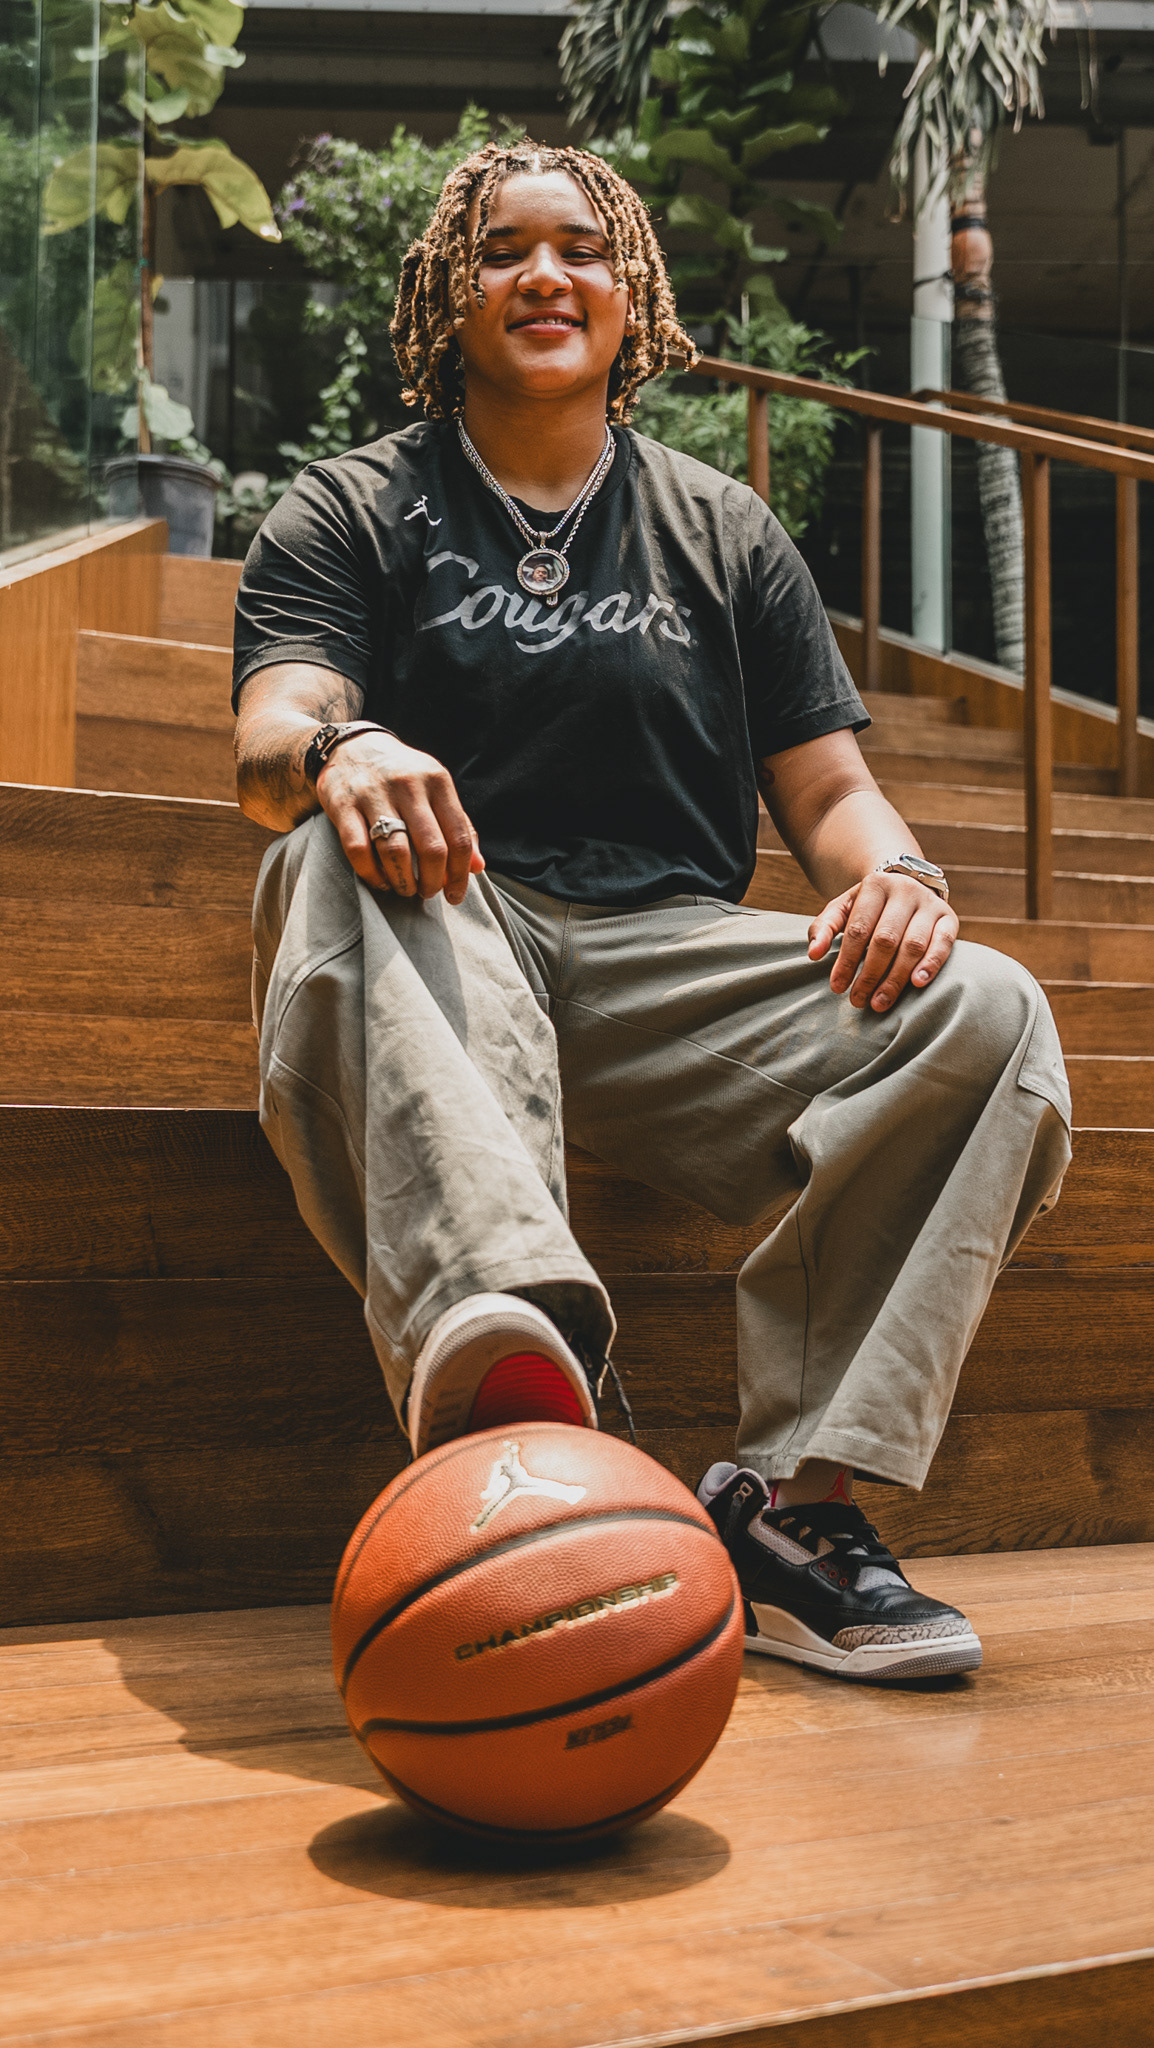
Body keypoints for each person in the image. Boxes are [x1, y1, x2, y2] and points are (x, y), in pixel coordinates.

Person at [232, 139, 1071, 1686]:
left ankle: (792, 1512)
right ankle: (517, 1394)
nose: (542, 274)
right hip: (440, 937)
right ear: (448, 292)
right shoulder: (351, 506)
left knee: (989, 1009)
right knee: (318, 850)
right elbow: (273, 728)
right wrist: (344, 750)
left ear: (632, 295)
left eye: (578, 248)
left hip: (666, 968)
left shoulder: (722, 528)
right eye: (501, 249)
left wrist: (900, 877)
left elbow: (828, 792)